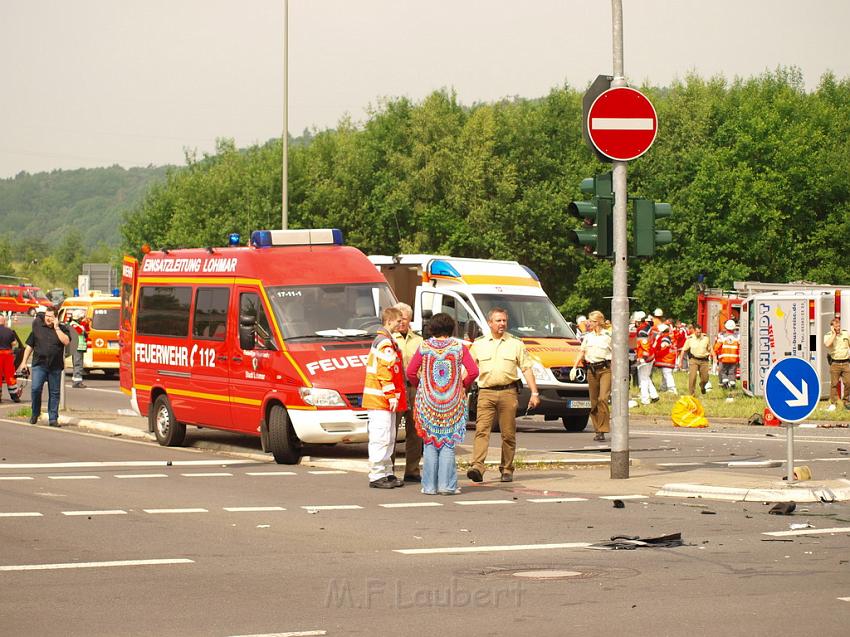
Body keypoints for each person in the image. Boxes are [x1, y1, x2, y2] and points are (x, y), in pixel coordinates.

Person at [406, 313, 478, 495]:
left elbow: (411, 372)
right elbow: (474, 371)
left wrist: (422, 386)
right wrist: (462, 385)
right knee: (447, 442)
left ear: (432, 328)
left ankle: (429, 486)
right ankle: (447, 486)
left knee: (430, 442)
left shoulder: (424, 347)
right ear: (451, 328)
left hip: (428, 402)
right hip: (452, 402)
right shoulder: (459, 347)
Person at [468, 307, 539, 483]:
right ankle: (477, 466)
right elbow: (468, 370)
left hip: (508, 392)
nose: (502, 324)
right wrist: (461, 391)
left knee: (508, 433)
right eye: (498, 321)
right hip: (485, 393)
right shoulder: (479, 344)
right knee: (481, 430)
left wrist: (535, 393)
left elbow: (526, 368)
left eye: (504, 321)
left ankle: (507, 469)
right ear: (490, 323)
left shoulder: (515, 343)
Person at [362, 307, 407, 489]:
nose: (401, 323)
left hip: (382, 399)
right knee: (381, 438)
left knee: (388, 437)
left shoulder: (385, 341)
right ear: (389, 321)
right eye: (398, 321)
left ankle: (387, 473)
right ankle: (377, 475)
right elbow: (384, 372)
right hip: (380, 399)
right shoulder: (385, 343)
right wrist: (390, 395)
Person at [17, 307, 70, 426]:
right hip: (39, 364)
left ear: (56, 318)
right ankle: (35, 412)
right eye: (47, 316)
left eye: (51, 316)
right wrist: (24, 362)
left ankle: (53, 418)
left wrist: (56, 327)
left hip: (55, 366)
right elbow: (29, 346)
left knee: (55, 392)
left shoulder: (62, 329)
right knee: (36, 389)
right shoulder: (38, 328)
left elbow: (66, 342)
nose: (48, 319)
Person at [391, 302, 424, 482]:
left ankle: (412, 470)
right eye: (399, 318)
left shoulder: (419, 340)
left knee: (415, 432)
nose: (402, 322)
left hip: (414, 388)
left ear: (410, 319)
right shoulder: (390, 339)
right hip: (396, 388)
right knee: (392, 431)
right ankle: (389, 470)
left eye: (405, 318)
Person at [572, 310, 612, 442]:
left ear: (599, 321)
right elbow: (582, 352)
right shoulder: (588, 337)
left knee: (603, 399)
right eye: (590, 321)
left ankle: (603, 428)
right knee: (594, 401)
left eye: (593, 321)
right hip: (592, 370)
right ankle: (598, 430)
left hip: (605, 369)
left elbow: (617, 353)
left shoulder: (608, 336)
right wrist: (574, 366)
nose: (590, 324)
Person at [823, 317, 850, 412]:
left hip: (846, 362)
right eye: (836, 326)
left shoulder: (845, 334)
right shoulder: (828, 335)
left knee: (848, 383)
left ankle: (846, 401)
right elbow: (827, 344)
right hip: (835, 363)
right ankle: (833, 403)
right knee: (834, 384)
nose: (838, 328)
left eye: (839, 326)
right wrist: (834, 334)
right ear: (832, 327)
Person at [713, 319, 740, 402]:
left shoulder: (722, 336)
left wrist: (716, 353)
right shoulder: (737, 336)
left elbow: (716, 347)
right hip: (734, 358)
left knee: (723, 372)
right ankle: (732, 384)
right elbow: (740, 347)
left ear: (726, 327)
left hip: (724, 358)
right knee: (732, 372)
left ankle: (725, 382)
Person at [682, 324, 712, 396]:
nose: (698, 333)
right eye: (697, 332)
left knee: (705, 379)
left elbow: (710, 349)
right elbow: (683, 350)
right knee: (692, 377)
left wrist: (714, 357)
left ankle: (702, 386)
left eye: (700, 332)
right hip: (693, 360)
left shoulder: (706, 338)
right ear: (694, 331)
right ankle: (691, 394)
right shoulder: (690, 339)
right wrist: (680, 362)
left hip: (704, 360)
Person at [0, 315, 24, 403]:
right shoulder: (9, 331)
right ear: (4, 322)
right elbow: (14, 343)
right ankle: (15, 396)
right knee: (10, 376)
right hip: (8, 356)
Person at [634, 327, 659, 405]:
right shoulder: (645, 340)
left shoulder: (642, 340)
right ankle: (654, 395)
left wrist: (641, 360)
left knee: (643, 380)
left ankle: (645, 400)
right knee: (646, 377)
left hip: (645, 361)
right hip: (649, 360)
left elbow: (646, 352)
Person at [653, 324, 678, 394]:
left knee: (667, 374)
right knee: (665, 374)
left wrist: (656, 353)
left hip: (666, 360)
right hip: (668, 360)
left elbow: (663, 348)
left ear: (662, 332)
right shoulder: (668, 337)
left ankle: (672, 389)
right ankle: (663, 387)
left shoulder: (664, 339)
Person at [67, 309, 88, 388]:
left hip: (80, 347)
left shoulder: (78, 324)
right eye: (82, 318)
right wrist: (84, 326)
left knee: (79, 364)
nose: (83, 319)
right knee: (78, 364)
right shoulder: (74, 325)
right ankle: (77, 382)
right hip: (77, 347)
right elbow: (80, 331)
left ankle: (76, 379)